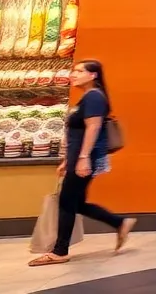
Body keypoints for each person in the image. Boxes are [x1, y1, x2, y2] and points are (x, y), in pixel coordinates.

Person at [28, 60, 136, 267]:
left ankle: (60, 251)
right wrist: (68, 160)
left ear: (93, 75)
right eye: (73, 71)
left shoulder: (94, 97)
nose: (73, 74)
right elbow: (76, 133)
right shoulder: (87, 97)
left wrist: (83, 158)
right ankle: (119, 222)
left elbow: (93, 129)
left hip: (84, 158)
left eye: (79, 71)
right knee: (75, 203)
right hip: (78, 158)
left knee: (67, 202)